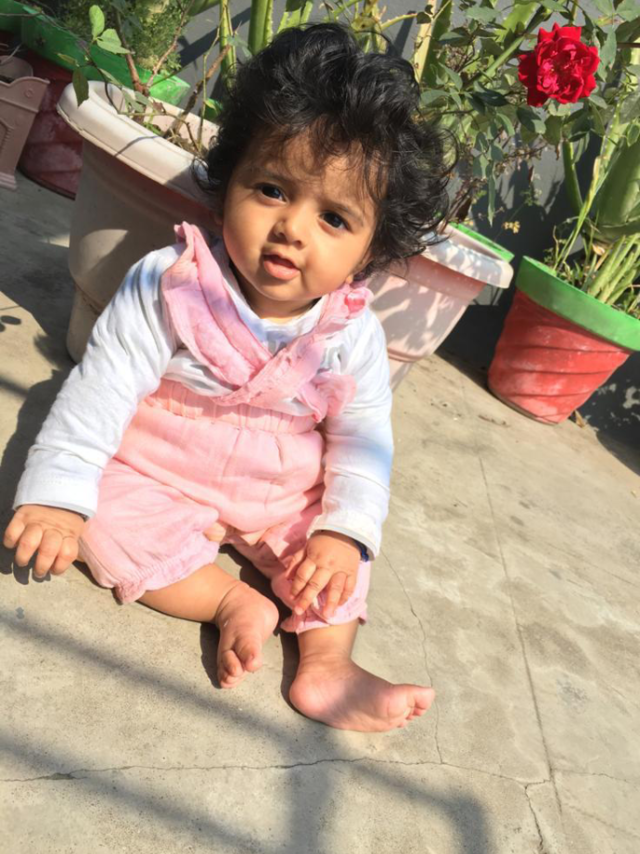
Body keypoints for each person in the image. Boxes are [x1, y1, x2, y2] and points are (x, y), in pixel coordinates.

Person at [3, 23, 452, 731]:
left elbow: (363, 443)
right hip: (158, 462)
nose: (292, 228)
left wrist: (343, 531)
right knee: (102, 518)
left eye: (334, 218)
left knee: (336, 556)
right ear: (226, 183)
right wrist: (59, 498)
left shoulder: (353, 333)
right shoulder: (170, 282)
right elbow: (101, 389)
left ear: (372, 249)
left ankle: (328, 664)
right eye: (271, 189)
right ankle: (226, 599)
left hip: (278, 486)